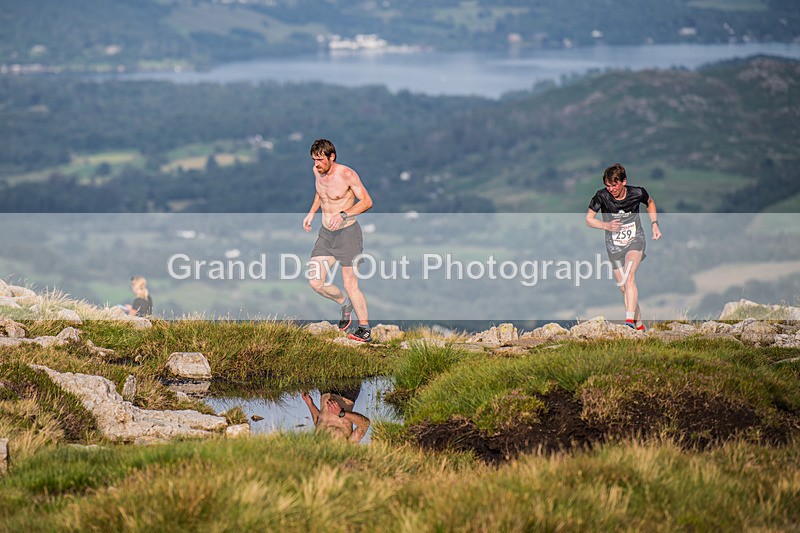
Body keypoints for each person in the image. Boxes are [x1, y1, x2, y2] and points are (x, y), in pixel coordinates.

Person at [303, 139, 374, 342]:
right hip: (326, 234)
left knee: (351, 284)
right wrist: (311, 213)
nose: (316, 164)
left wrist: (343, 214)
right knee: (315, 282)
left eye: (320, 160)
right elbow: (321, 193)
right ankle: (345, 304)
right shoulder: (317, 171)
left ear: (331, 157)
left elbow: (367, 202)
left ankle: (364, 329)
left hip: (348, 234)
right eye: (314, 159)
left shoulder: (347, 175)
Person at [585, 163, 662, 330]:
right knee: (623, 287)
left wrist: (654, 224)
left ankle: (628, 322)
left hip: (635, 240)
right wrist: (606, 226)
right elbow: (589, 219)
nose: (611, 189)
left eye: (614, 185)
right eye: (608, 186)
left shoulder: (637, 193)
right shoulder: (601, 196)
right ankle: (639, 325)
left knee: (629, 277)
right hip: (614, 246)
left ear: (623, 181)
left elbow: (650, 203)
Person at [301, 391, 371, 443]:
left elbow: (318, 422)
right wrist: (341, 413)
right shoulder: (347, 447)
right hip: (345, 393)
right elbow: (365, 424)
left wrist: (310, 404)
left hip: (324, 391)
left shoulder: (318, 447)